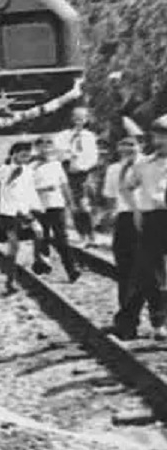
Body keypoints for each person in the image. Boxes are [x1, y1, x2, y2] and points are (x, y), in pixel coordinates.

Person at [112, 114, 167, 341]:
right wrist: (135, 210)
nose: (161, 141)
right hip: (152, 219)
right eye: (158, 137)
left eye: (165, 137)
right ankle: (158, 323)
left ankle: (127, 318)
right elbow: (126, 187)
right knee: (151, 274)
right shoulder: (144, 164)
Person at [103, 120, 147, 335]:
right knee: (125, 271)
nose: (127, 148)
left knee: (148, 272)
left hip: (149, 220)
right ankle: (128, 323)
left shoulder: (151, 165)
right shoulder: (113, 169)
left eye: (131, 144)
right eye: (122, 144)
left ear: (141, 144)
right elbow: (111, 196)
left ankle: (153, 319)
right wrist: (111, 215)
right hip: (124, 220)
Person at [0, 140, 46, 292]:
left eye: (28, 155)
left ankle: (37, 260)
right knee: (14, 246)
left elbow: (30, 191)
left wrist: (37, 207)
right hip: (9, 213)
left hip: (24, 211)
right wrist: (0, 175)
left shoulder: (28, 171)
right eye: (22, 154)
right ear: (14, 154)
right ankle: (10, 281)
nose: (25, 157)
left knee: (39, 231)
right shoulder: (4, 170)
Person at [31, 135, 81, 282]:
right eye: (42, 146)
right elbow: (26, 188)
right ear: (37, 148)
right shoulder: (31, 167)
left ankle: (71, 269)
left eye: (48, 145)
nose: (45, 148)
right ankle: (42, 265)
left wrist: (71, 203)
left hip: (56, 205)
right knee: (43, 237)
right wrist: (43, 189)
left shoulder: (57, 165)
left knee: (62, 238)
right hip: (39, 206)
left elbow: (64, 185)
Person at [56, 106, 100, 246]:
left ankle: (92, 236)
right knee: (74, 206)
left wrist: (82, 167)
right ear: (72, 118)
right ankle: (82, 236)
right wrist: (69, 157)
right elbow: (59, 153)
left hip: (83, 174)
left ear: (86, 120)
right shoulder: (63, 136)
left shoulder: (89, 137)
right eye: (76, 117)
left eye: (82, 118)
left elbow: (93, 157)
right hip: (68, 173)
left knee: (85, 206)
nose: (78, 120)